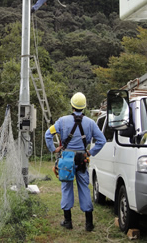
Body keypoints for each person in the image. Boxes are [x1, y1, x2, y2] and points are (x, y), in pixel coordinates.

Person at [45, 92, 106, 231]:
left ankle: (68, 222)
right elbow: (101, 140)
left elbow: (48, 134)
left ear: (72, 105)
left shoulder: (62, 121)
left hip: (66, 159)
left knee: (66, 188)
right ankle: (89, 224)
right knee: (84, 188)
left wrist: (53, 149)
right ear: (84, 107)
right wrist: (90, 152)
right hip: (82, 159)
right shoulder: (90, 123)